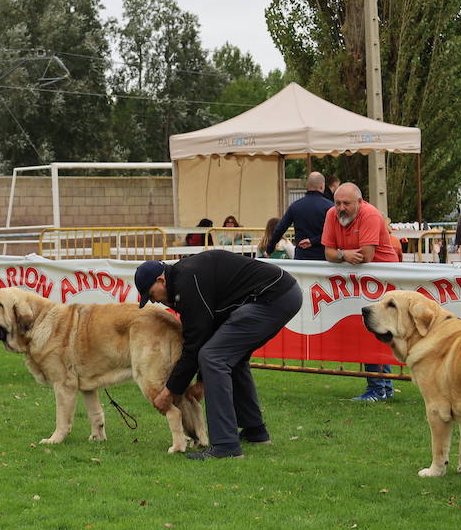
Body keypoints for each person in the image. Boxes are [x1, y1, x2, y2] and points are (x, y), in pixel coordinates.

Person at [135, 251, 303, 460]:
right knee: (232, 357)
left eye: (151, 295)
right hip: (282, 293)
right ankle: (255, 432)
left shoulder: (187, 281)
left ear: (160, 280)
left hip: (272, 296)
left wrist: (169, 391)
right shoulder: (184, 277)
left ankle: (226, 446)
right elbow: (208, 331)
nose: (156, 301)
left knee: (213, 357)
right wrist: (201, 381)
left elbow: (196, 344)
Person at [322, 182, 400, 401]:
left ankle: (378, 388)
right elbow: (328, 252)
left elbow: (364, 256)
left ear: (359, 202)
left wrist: (340, 253)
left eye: (346, 203)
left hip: (382, 281)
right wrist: (343, 255)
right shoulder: (331, 214)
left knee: (375, 330)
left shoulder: (371, 215)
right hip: (358, 282)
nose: (341, 208)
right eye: (337, 203)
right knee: (372, 330)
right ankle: (383, 387)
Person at [264, 171, 331, 260]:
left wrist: (269, 250)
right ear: (322, 186)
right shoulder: (329, 207)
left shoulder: (295, 206)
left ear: (307, 186)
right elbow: (333, 233)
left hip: (301, 257)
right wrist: (313, 241)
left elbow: (280, 229)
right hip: (323, 257)